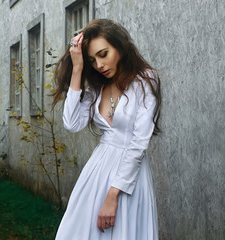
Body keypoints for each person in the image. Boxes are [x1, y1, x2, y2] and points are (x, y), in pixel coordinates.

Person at [52, 19, 161, 240]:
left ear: (119, 47)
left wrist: (113, 195)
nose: (99, 65)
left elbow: (139, 143)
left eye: (103, 54)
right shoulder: (96, 88)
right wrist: (78, 69)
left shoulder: (146, 80)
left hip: (129, 178)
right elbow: (71, 123)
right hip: (96, 174)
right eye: (93, 60)